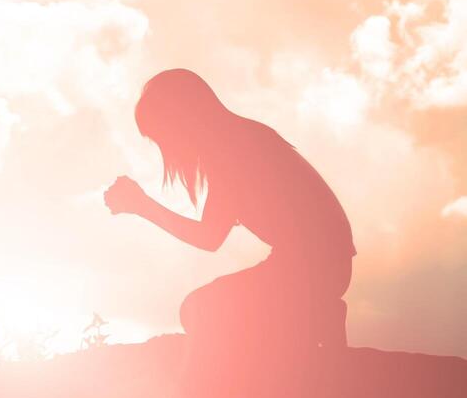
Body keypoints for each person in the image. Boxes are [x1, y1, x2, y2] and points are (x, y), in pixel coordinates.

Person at [104, 69, 355, 350]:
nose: (165, 146)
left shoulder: (233, 150)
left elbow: (209, 238)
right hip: (318, 265)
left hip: (312, 269)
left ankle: (314, 318)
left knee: (200, 312)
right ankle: (313, 318)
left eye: (161, 135)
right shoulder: (238, 139)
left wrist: (142, 205)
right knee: (208, 311)